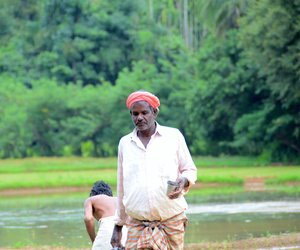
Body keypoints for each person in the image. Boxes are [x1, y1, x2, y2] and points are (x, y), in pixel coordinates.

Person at [111, 90, 197, 249]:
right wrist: (118, 226)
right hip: (137, 224)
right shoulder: (125, 143)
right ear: (131, 115)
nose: (139, 117)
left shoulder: (173, 136)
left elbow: (190, 169)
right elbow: (122, 187)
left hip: (170, 221)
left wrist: (183, 180)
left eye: (144, 112)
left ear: (154, 112)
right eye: (135, 114)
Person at [84, 180, 126, 250]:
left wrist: (94, 239)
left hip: (107, 230)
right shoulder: (118, 199)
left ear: (93, 193)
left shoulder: (91, 200)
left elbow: (88, 219)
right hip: (124, 230)